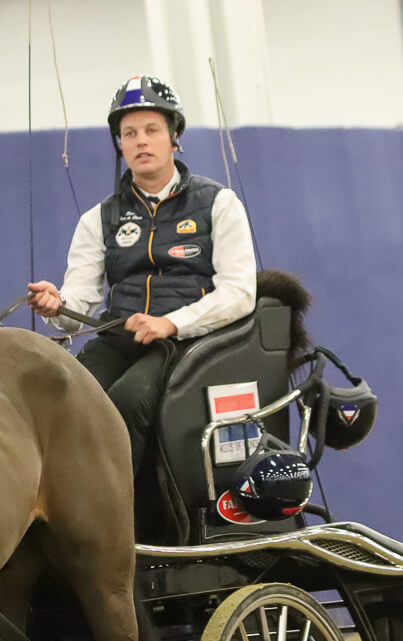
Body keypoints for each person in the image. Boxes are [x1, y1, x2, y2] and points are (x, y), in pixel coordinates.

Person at [28, 74, 256, 473]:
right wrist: (55, 305)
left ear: (174, 136)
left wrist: (170, 323)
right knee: (62, 393)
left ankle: (120, 517)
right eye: (129, 133)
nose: (141, 141)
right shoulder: (98, 218)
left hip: (188, 342)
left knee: (128, 400)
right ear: (120, 143)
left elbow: (239, 293)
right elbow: (76, 304)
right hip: (119, 338)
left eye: (152, 130)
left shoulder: (219, 203)